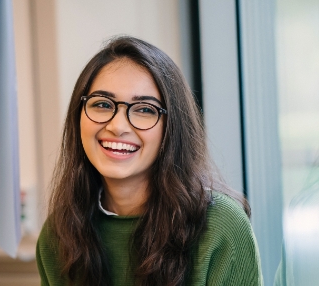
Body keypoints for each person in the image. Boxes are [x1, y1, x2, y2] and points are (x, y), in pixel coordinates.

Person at [36, 36, 263, 286]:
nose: (118, 126)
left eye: (145, 109)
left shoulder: (221, 226)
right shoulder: (59, 235)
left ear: (172, 129)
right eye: (102, 104)